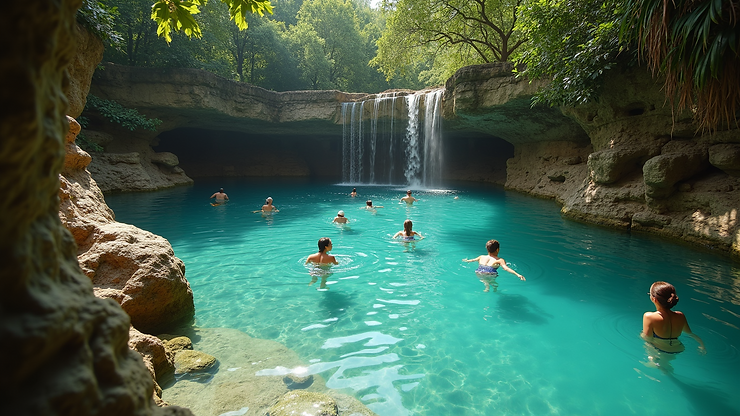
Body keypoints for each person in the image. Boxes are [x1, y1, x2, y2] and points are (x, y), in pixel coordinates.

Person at [642, 281, 706, 357]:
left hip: (659, 349)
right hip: (679, 348)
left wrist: (642, 334)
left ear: (653, 299)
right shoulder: (680, 316)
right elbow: (690, 334)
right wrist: (702, 345)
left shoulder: (649, 316)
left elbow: (647, 338)